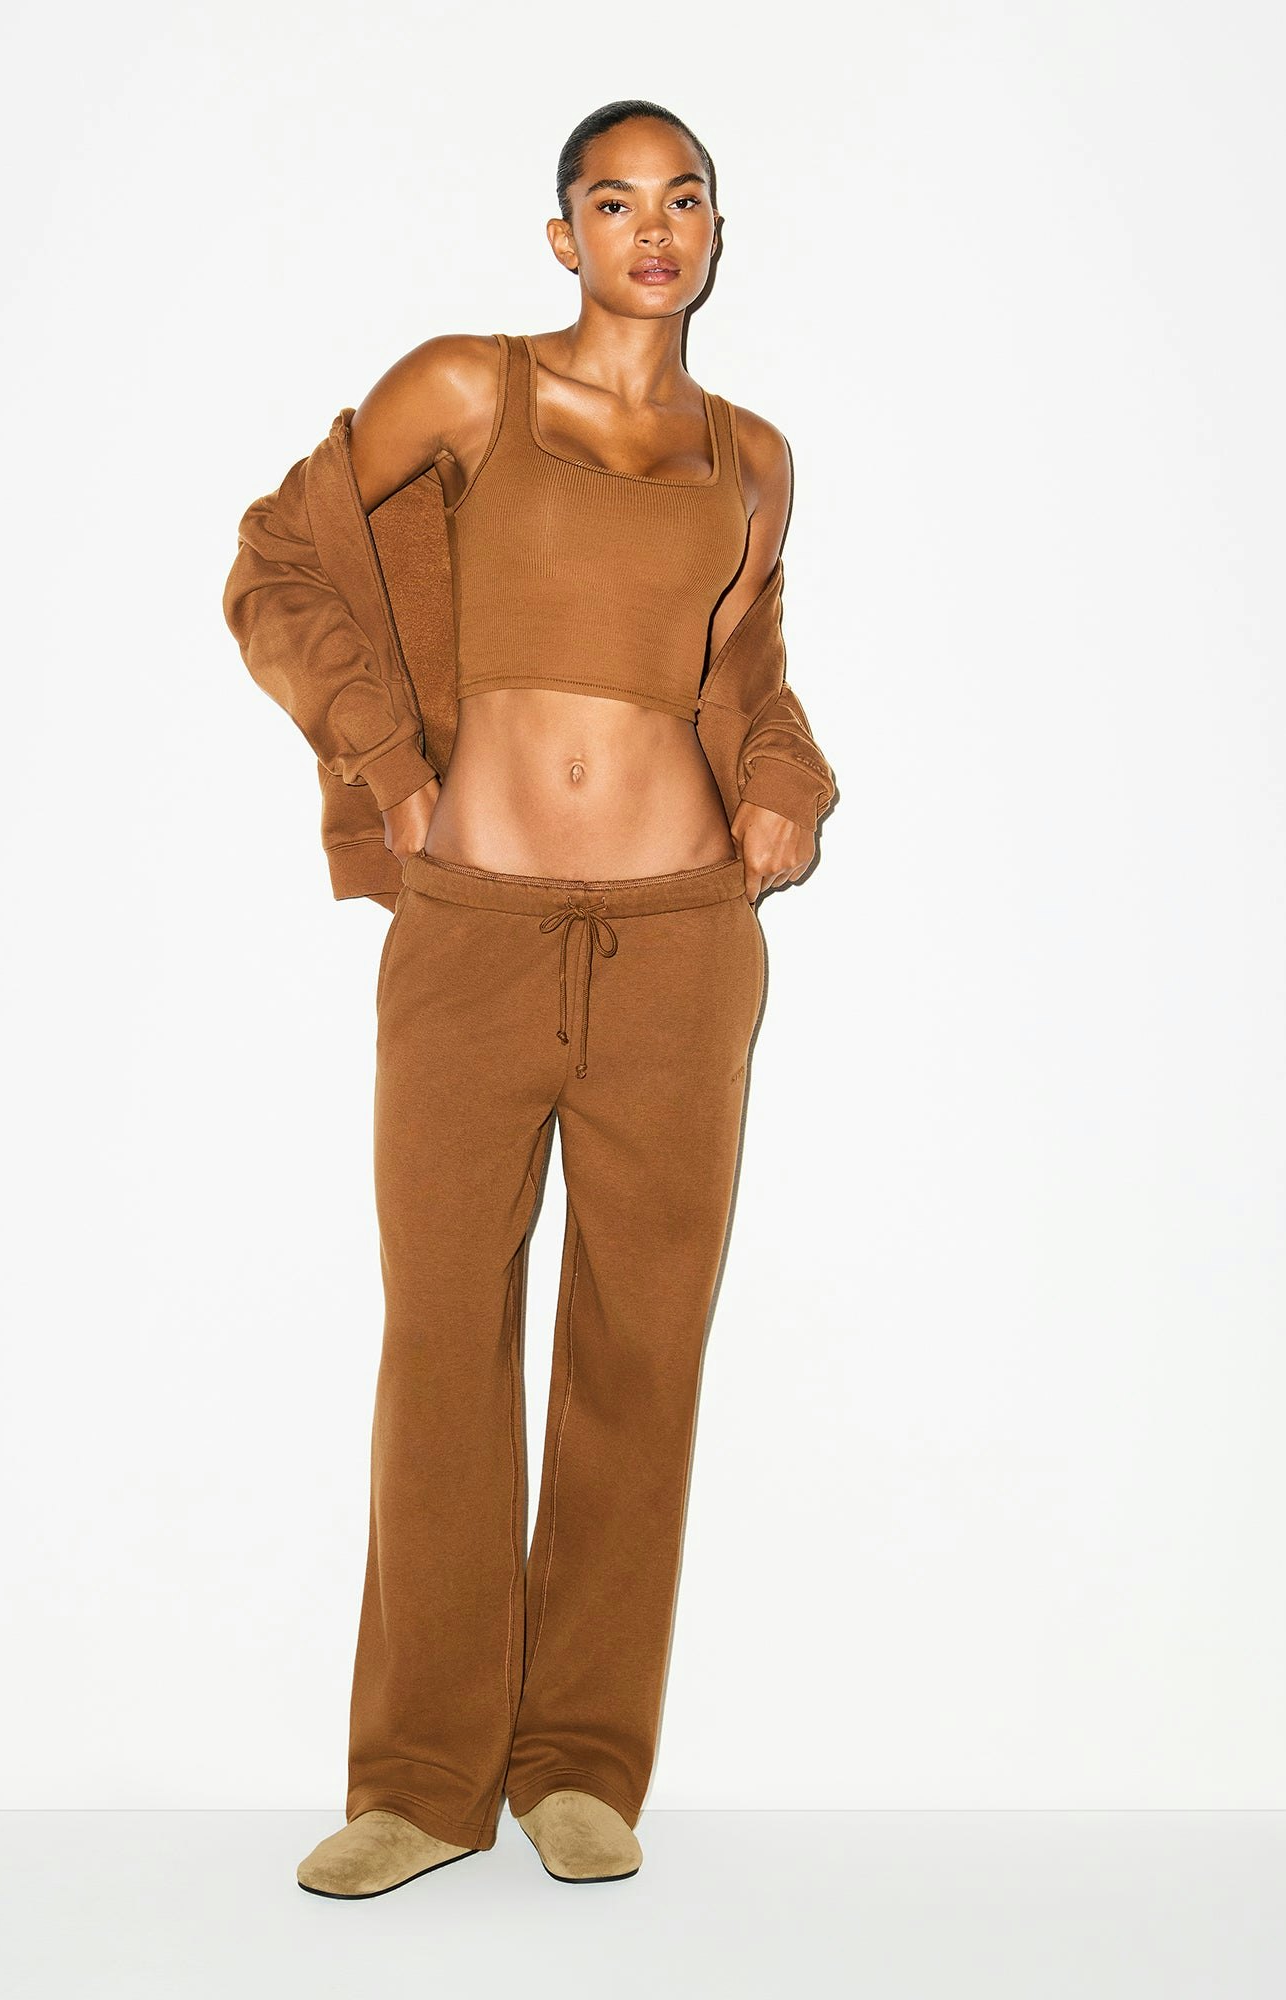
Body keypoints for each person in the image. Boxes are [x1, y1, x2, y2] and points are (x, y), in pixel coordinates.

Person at [222, 99, 837, 1897]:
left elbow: (745, 678)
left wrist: (784, 783)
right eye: (614, 200)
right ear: (564, 237)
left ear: (714, 232)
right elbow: (275, 559)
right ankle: (423, 1782)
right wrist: (385, 760)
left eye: (684, 198)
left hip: (682, 942)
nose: (654, 228)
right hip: (476, 930)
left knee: (639, 1353)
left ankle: (580, 1763)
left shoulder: (751, 459)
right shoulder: (466, 389)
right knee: (444, 1338)